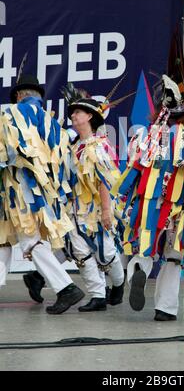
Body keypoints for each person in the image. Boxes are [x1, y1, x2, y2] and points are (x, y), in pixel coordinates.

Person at [113, 24, 184, 321]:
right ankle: (165, 309)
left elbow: (133, 170)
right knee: (173, 255)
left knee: (144, 245)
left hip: (149, 204)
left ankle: (138, 274)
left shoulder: (146, 135)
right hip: (179, 207)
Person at [24, 84, 126, 312]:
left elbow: (106, 181)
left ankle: (119, 285)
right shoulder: (72, 147)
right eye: (72, 112)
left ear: (90, 116)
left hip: (97, 210)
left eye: (77, 112)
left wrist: (108, 211)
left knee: (106, 252)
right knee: (80, 252)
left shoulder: (99, 146)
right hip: (74, 211)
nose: (73, 115)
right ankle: (98, 295)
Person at [0, 71, 84, 314]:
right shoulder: (52, 123)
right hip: (42, 193)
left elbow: (6, 154)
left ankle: (66, 287)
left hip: (19, 188)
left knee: (30, 240)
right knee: (3, 237)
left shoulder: (11, 114)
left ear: (18, 95)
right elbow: (65, 164)